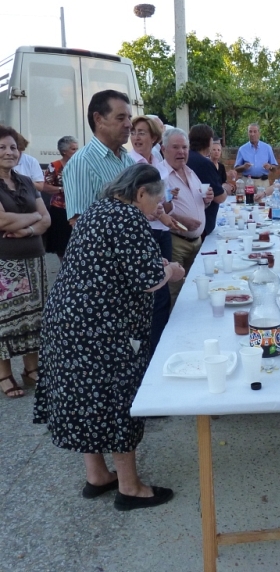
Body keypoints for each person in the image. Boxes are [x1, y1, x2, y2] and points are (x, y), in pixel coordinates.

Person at [34, 164, 185, 509]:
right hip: (102, 328)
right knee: (116, 398)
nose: (155, 212)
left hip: (67, 321)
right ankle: (130, 488)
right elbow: (149, 279)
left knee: (87, 398)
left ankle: (97, 475)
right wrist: (172, 270)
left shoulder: (97, 211)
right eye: (155, 204)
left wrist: (153, 263)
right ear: (141, 192)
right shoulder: (129, 217)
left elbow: (114, 263)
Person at [0, 125, 51, 398]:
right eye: (2, 147)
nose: (9, 152)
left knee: (33, 318)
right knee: (5, 322)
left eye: (13, 147)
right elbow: (2, 220)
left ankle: (31, 370)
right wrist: (33, 217)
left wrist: (29, 227)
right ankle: (4, 375)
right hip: (4, 264)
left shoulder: (26, 182)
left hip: (33, 260)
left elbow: (47, 219)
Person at [129, 115, 180, 355]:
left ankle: (160, 344)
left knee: (162, 295)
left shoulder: (158, 161)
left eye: (142, 132)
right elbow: (134, 204)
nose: (136, 137)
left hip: (162, 234)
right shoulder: (130, 163)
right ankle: (149, 349)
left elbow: (165, 201)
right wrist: (161, 214)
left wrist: (167, 204)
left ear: (154, 138)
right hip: (145, 232)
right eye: (133, 132)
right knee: (150, 289)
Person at [63, 89, 135, 224]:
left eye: (129, 118)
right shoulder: (82, 162)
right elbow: (80, 223)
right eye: (120, 118)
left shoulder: (129, 161)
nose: (129, 124)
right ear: (98, 119)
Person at [158, 128, 212, 305]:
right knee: (177, 295)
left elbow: (198, 203)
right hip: (176, 242)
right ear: (164, 149)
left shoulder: (190, 172)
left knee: (197, 292)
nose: (181, 152)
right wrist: (183, 220)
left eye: (184, 147)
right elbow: (156, 210)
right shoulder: (159, 175)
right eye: (175, 147)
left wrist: (207, 200)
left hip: (195, 242)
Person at [43, 136, 78, 261]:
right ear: (64, 152)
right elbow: (45, 186)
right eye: (73, 149)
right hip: (60, 209)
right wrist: (62, 189)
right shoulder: (55, 166)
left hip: (78, 208)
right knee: (61, 245)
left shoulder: (81, 164)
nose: (77, 152)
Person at [186, 124, 225, 237]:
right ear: (209, 141)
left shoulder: (187, 158)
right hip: (201, 225)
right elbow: (220, 197)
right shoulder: (205, 163)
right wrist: (225, 189)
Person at [234, 123, 278, 189]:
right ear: (247, 133)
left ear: (259, 133)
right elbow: (236, 169)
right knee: (246, 199)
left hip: (263, 182)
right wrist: (244, 167)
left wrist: (270, 167)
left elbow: (275, 168)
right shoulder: (242, 149)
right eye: (250, 131)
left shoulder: (267, 148)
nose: (252, 134)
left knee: (264, 199)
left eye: (255, 131)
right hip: (247, 181)